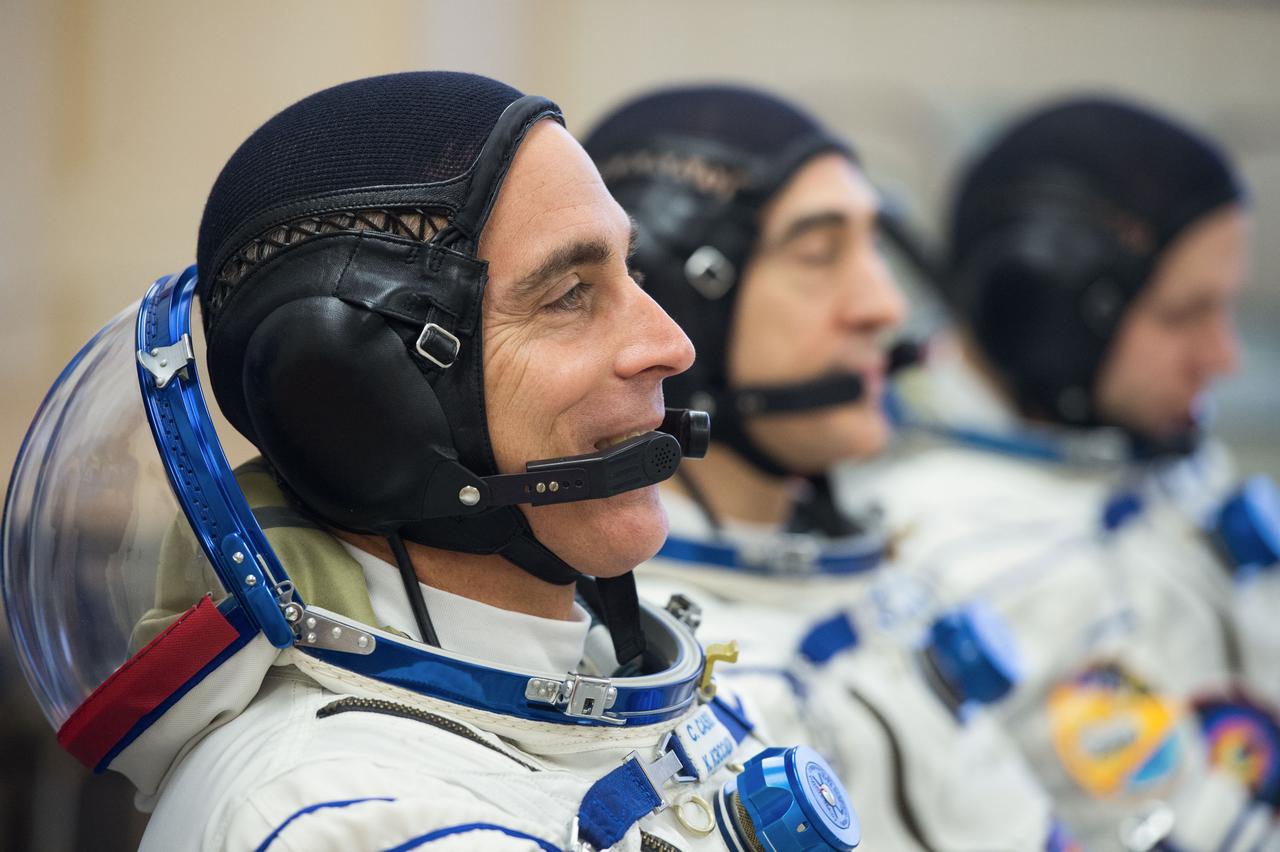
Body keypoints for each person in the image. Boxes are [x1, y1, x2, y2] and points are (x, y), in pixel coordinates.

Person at [0, 72, 863, 852]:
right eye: (570, 295)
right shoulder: (350, 821)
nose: (669, 344)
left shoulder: (599, 684)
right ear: (355, 403)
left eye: (631, 272)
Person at [583, 84, 1065, 852]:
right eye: (818, 254)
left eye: (872, 247)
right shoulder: (640, 679)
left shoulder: (879, 571)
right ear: (674, 297)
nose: (883, 306)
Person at [848, 96, 1280, 849]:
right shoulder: (951, 550)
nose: (1223, 357)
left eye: (1224, 311)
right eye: (1185, 315)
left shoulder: (1149, 456)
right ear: (1046, 313)